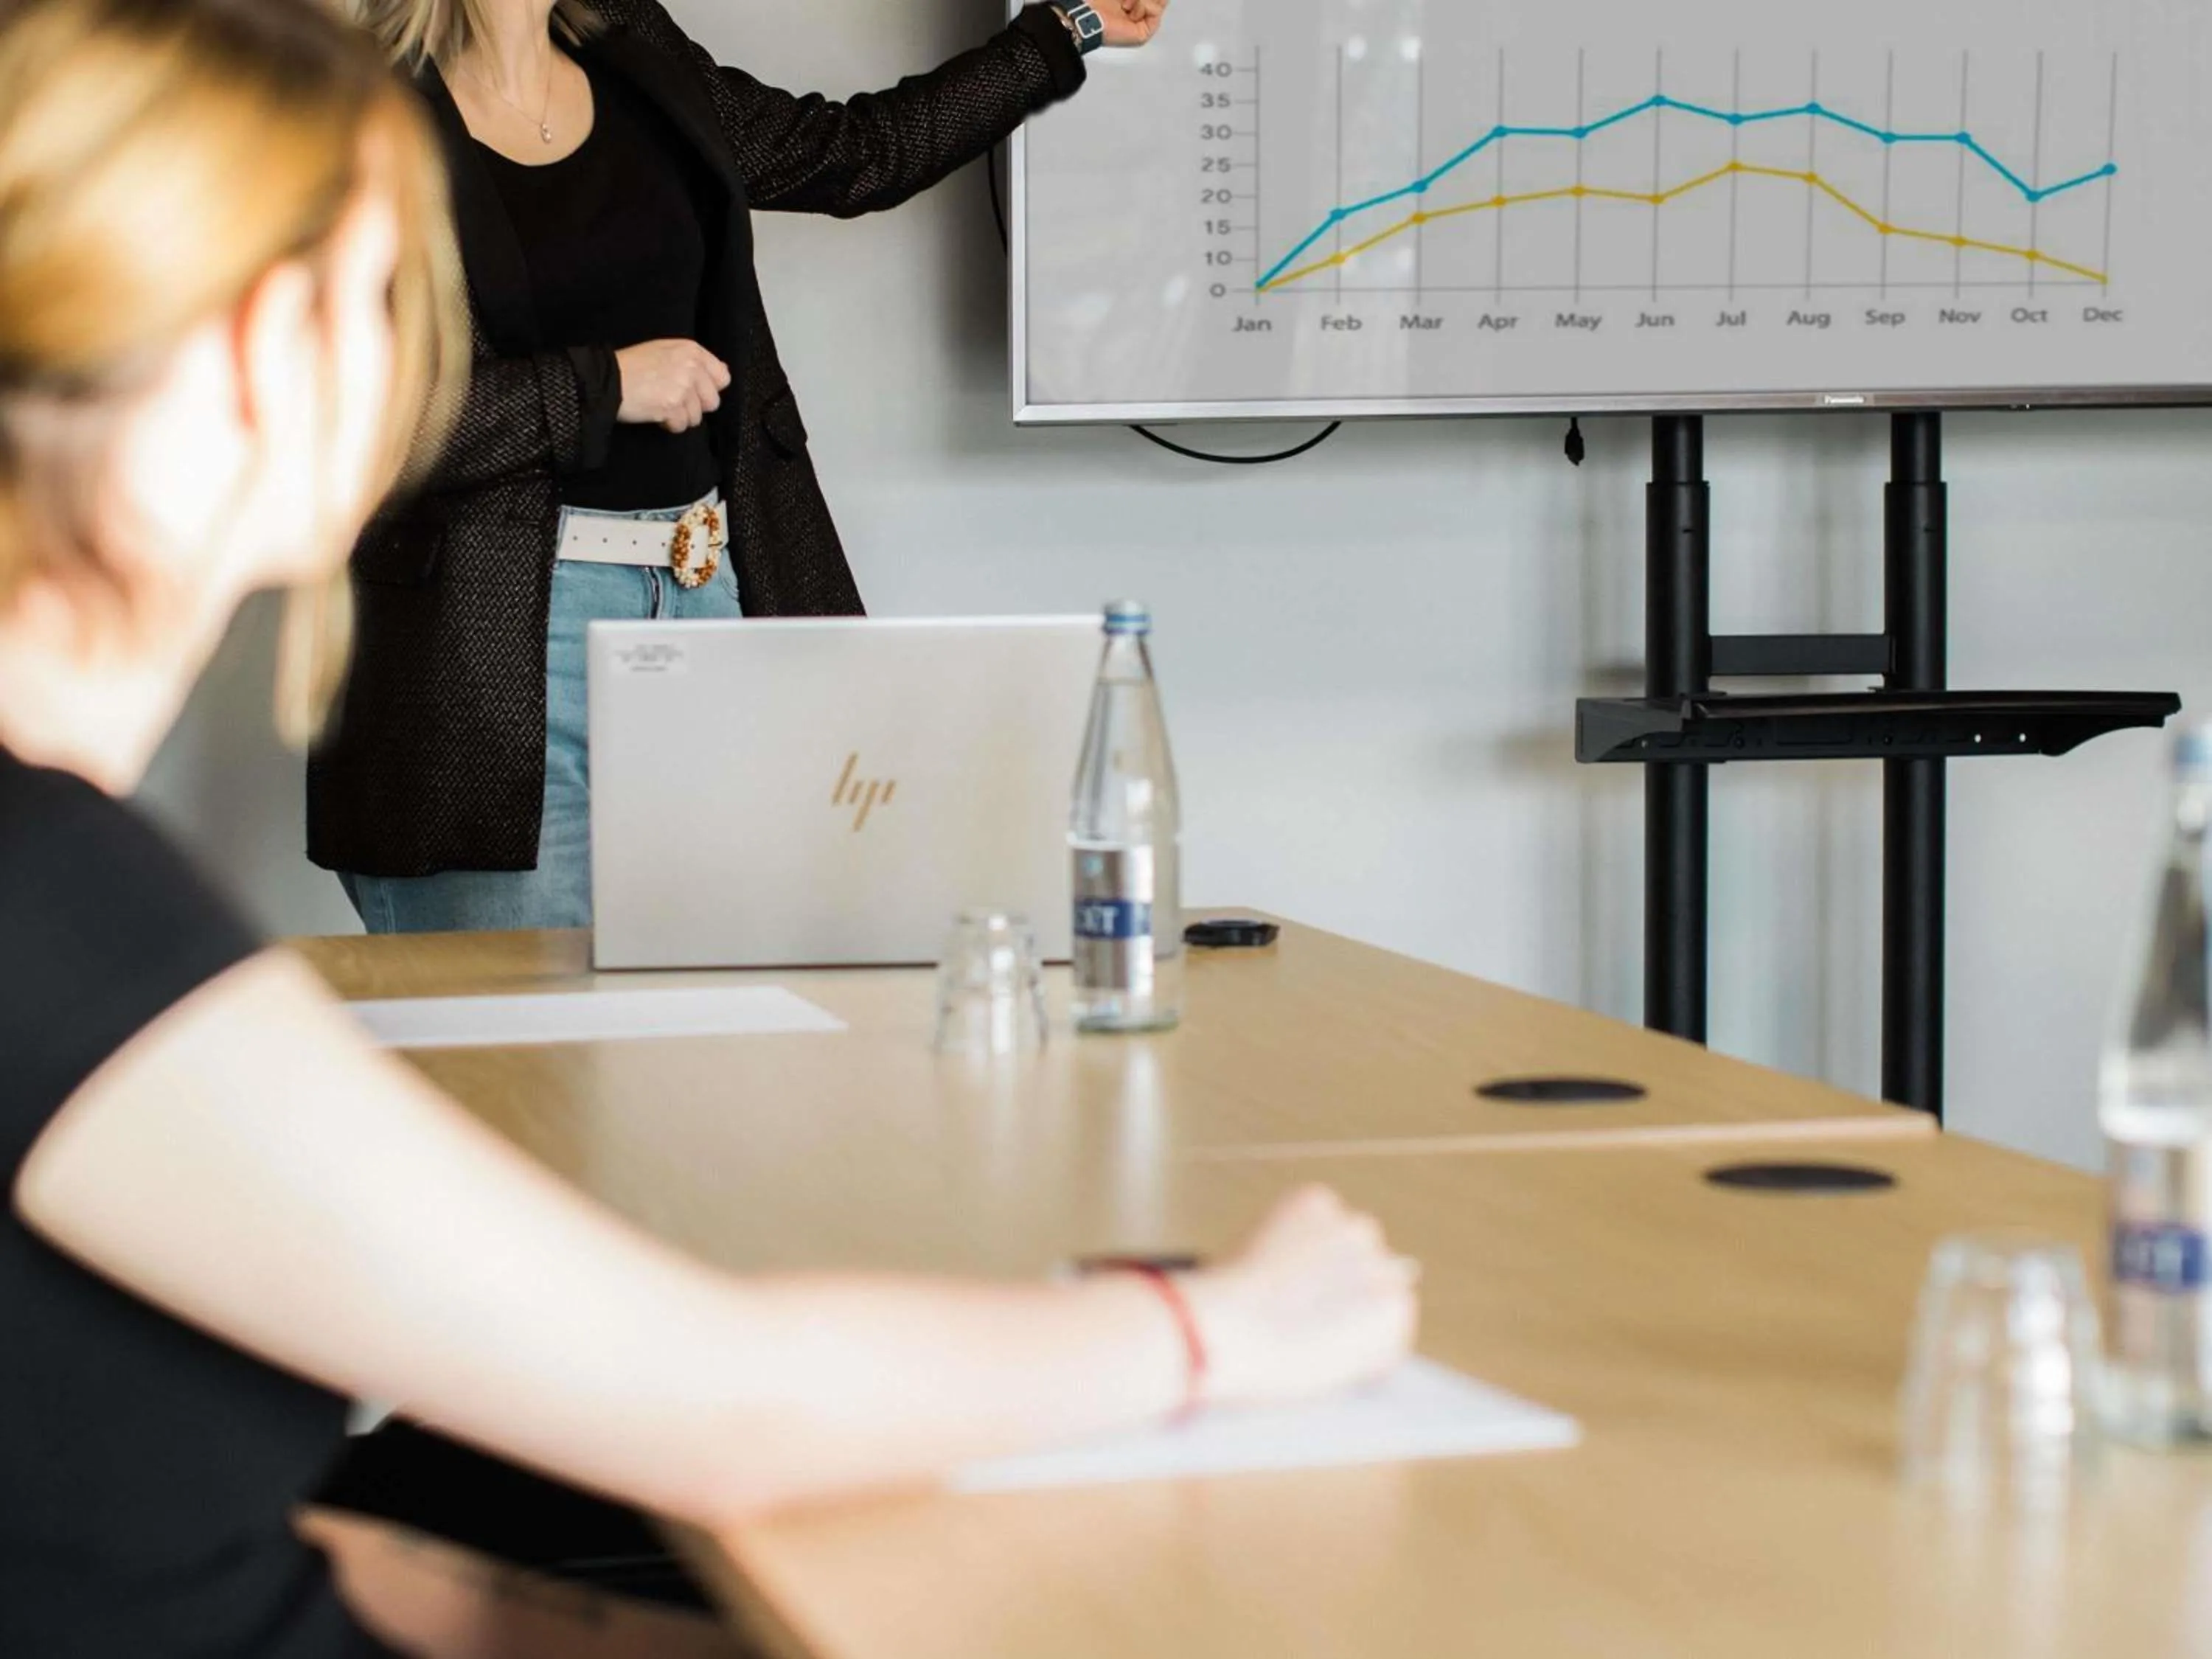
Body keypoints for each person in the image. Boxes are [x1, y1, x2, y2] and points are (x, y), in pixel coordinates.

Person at [0, 4, 1419, 1653]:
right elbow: (718, 1402)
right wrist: (1211, 1331)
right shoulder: (62, 917)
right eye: (377, 302)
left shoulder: (62, 892)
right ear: (261, 359)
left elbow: (165, 1528)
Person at [313, 0, 1163, 933]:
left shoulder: (642, 58)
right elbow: (349, 424)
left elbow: (855, 155)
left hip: (711, 605)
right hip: (489, 662)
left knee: (707, 1041)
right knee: (526, 1055)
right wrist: (599, 388)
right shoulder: (350, 107)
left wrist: (1063, 31)